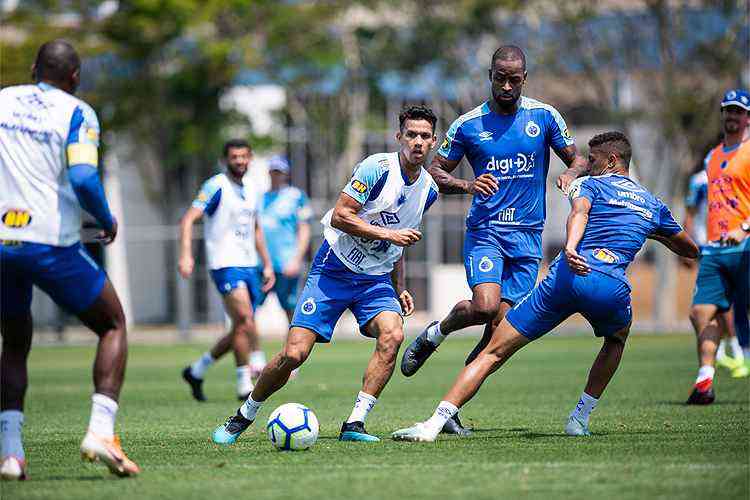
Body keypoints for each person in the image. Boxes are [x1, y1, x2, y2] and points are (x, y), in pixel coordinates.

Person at [392, 131, 699, 442]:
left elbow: (580, 213)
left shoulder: (590, 185)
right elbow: (689, 249)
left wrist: (571, 247)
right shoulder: (652, 204)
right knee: (616, 340)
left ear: (612, 160)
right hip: (610, 284)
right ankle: (579, 418)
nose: (586, 166)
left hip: (566, 275)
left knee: (493, 351)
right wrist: (649, 230)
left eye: (591, 160)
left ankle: (432, 425)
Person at [211, 105, 439, 444]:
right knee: (294, 354)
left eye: (424, 136)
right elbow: (341, 216)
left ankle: (355, 424)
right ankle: (244, 414)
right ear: (399, 137)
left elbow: (401, 240)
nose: (417, 142)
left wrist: (399, 285)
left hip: (374, 279)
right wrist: (388, 235)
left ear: (433, 141)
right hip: (334, 267)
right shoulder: (376, 168)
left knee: (393, 335)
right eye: (411, 135)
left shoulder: (428, 189)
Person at [399, 45, 588, 435]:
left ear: (524, 79)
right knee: (485, 306)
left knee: (499, 333)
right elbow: (436, 170)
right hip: (486, 232)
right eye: (499, 78)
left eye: (513, 79)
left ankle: (449, 411)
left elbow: (578, 157)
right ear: (490, 75)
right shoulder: (468, 124)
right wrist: (468, 184)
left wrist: (572, 174)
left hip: (529, 238)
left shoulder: (544, 116)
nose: (506, 85)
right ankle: (438, 331)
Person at [0, 40, 140, 479]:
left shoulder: (2, 100)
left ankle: (10, 453)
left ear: (32, 68)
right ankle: (100, 430)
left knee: (15, 340)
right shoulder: (77, 112)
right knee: (112, 323)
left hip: (1, 240)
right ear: (75, 77)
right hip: (47, 240)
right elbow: (82, 176)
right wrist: (106, 217)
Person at [179, 140, 275, 402]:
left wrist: (266, 263)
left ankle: (197, 370)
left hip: (249, 264)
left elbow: (255, 228)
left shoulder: (253, 189)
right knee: (245, 319)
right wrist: (186, 255)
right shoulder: (215, 186)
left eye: (244, 156)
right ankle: (248, 378)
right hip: (224, 263)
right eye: (234, 157)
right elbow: (188, 219)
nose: (240, 161)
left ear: (250, 158)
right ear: (226, 159)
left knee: (241, 328)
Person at [687, 89, 750, 405]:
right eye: (727, 110)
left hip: (746, 246)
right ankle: (705, 381)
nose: (732, 116)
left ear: (748, 117)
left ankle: (738, 352)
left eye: (738, 111)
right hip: (714, 249)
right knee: (699, 312)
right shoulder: (712, 156)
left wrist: (744, 228)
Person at [684, 165, 747, 378]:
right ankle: (730, 351)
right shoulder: (700, 180)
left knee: (723, 304)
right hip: (708, 246)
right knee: (715, 305)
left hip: (736, 244)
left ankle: (732, 349)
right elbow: (690, 214)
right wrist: (688, 246)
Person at [258, 155, 313, 323]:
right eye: (273, 171)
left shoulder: (296, 197)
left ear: (286, 174)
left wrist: (296, 260)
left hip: (286, 263)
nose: (276, 175)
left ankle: (294, 348)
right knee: (249, 310)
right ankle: (252, 349)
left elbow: (304, 230)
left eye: (279, 172)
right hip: (261, 264)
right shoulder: (259, 198)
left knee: (291, 309)